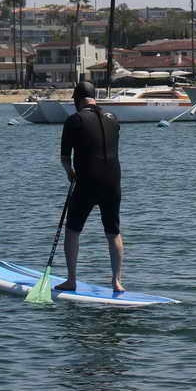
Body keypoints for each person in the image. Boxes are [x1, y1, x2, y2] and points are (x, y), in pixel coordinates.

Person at [57, 80, 124, 292]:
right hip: (113, 182)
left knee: (72, 230)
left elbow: (65, 158)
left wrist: (70, 173)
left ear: (77, 100)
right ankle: (117, 281)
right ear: (94, 98)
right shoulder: (113, 119)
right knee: (113, 232)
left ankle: (71, 280)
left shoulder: (74, 120)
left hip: (87, 181)